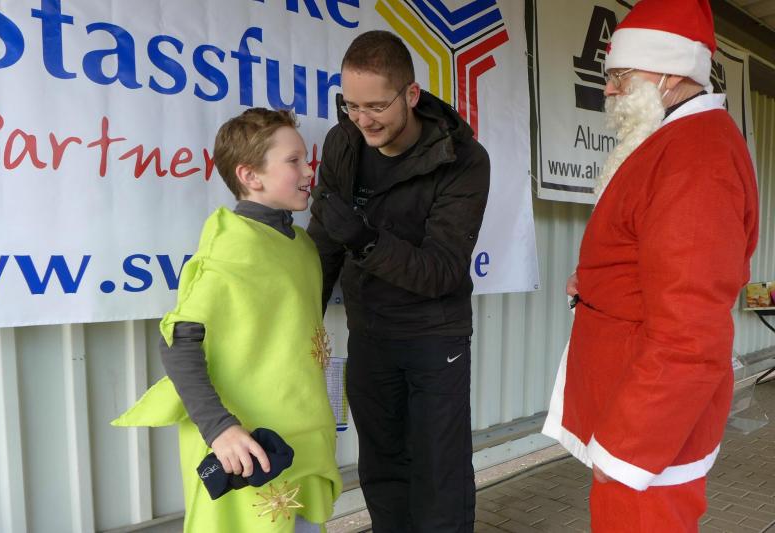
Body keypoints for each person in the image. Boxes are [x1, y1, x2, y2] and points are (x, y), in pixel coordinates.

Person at [542, 0, 759, 530]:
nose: (609, 90)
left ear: (670, 73)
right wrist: (597, 280)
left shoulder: (695, 159)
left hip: (648, 424)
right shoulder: (675, 141)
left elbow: (692, 331)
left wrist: (628, 446)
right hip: (632, 396)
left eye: (620, 76)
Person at [113, 108, 342, 533]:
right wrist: (220, 429)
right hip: (247, 449)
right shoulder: (231, 245)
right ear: (250, 176)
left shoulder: (302, 245)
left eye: (306, 159)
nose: (309, 170)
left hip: (301, 441)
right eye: (293, 161)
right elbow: (178, 342)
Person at [307, 30, 490, 533]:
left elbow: (443, 270)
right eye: (351, 105)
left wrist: (365, 241)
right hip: (369, 333)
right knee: (382, 468)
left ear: (410, 94)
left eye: (375, 106)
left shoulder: (463, 159)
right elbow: (323, 248)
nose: (362, 119)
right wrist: (303, 325)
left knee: (439, 475)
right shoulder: (344, 142)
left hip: (434, 336)